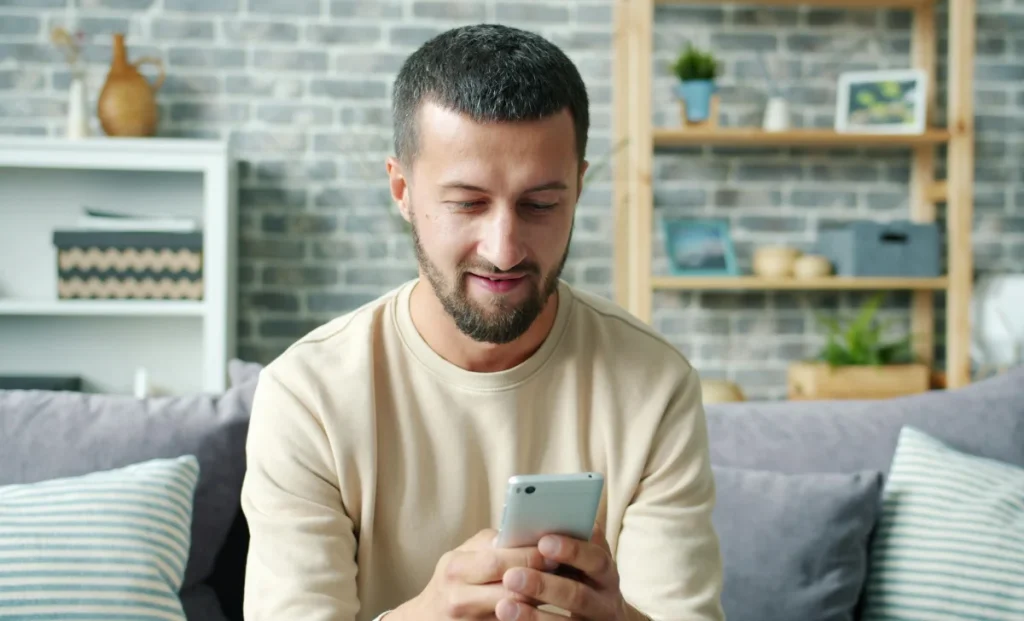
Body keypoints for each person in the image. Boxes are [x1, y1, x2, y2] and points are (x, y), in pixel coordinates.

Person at [240, 23, 725, 621]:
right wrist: (427, 614)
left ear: (577, 189)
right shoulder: (307, 394)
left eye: (540, 204)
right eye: (468, 203)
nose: (504, 249)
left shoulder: (655, 386)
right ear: (402, 188)